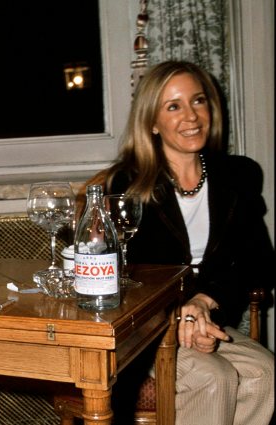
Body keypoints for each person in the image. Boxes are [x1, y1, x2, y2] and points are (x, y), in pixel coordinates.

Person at [100, 60, 274, 424]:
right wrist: (176, 316)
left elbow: (258, 261)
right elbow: (124, 276)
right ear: (152, 122)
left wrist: (203, 303)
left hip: (207, 315)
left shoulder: (238, 175)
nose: (192, 116)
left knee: (265, 374)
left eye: (198, 101)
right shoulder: (128, 186)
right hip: (149, 329)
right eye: (173, 106)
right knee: (215, 377)